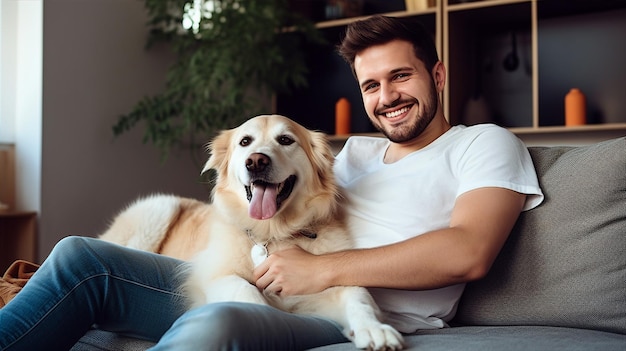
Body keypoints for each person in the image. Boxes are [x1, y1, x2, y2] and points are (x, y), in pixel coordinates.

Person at [0, 15, 543, 351]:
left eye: (401, 76)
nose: (388, 96)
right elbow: (271, 212)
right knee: (79, 258)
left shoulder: (484, 144)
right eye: (371, 84)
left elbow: (469, 251)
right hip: (266, 284)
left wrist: (319, 270)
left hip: (340, 315)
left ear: (438, 75)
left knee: (217, 327)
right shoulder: (352, 154)